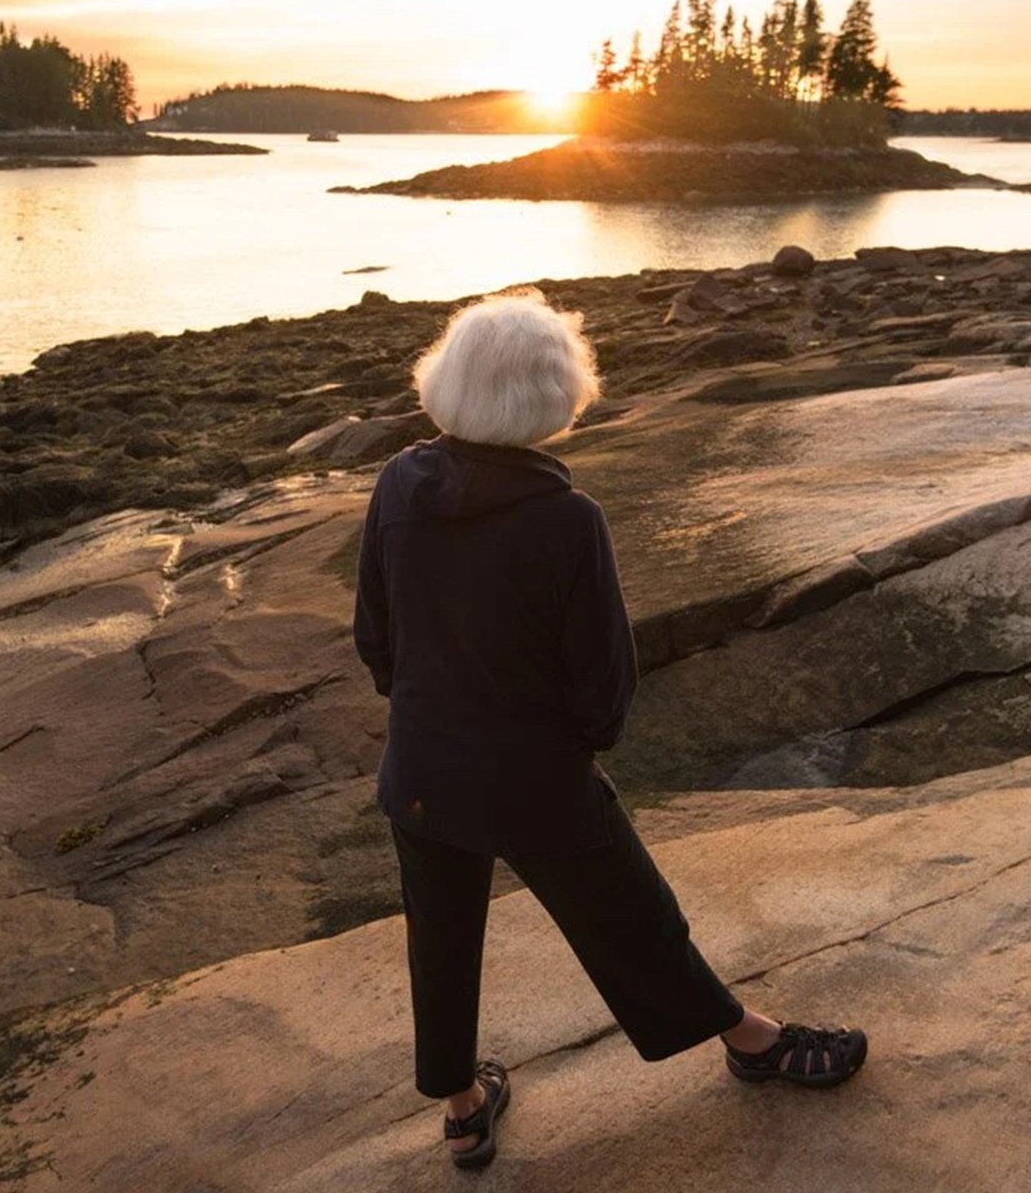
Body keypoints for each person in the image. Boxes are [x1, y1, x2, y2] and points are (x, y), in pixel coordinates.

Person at [352, 289, 868, 1170]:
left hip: (423, 769)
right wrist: (581, 746)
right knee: (634, 919)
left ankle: (463, 1106)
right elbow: (601, 680)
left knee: (438, 937)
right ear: (555, 391)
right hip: (533, 776)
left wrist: (424, 709)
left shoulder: (401, 482)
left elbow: (377, 635)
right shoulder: (566, 519)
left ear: (452, 377)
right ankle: (751, 1042)